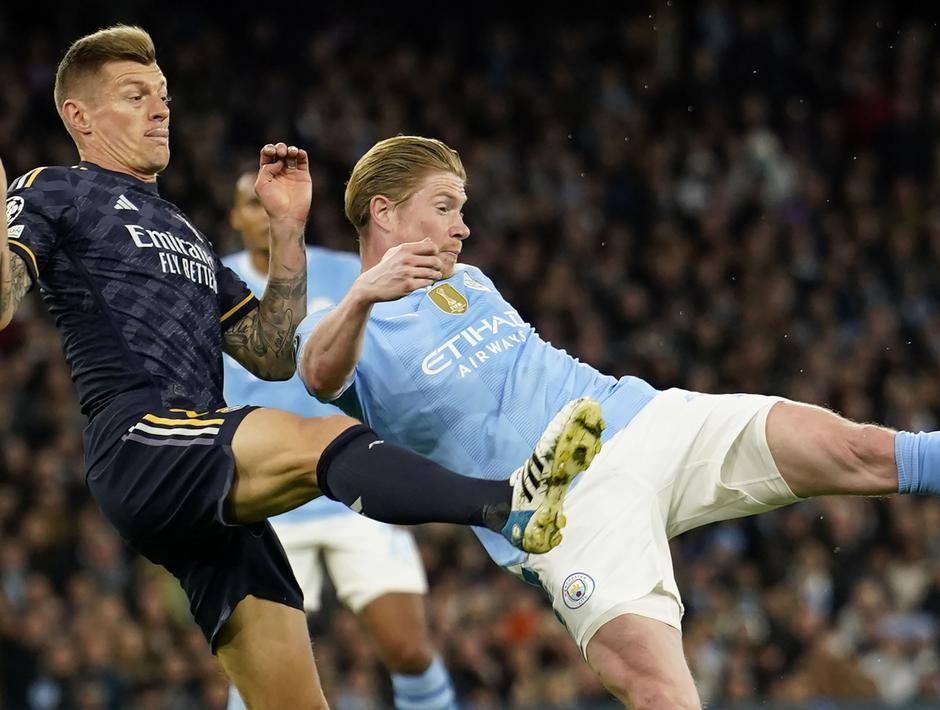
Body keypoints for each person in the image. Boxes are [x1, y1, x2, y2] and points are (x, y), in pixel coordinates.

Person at [296, 135, 940, 710]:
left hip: (644, 419)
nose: (462, 226)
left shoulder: (470, 279)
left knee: (860, 448)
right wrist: (364, 297)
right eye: (445, 207)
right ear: (384, 211)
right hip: (562, 510)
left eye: (463, 210)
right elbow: (314, 371)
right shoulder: (348, 322)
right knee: (661, 692)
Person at [0, 26, 601, 710]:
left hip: (199, 474)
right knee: (316, 443)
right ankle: (504, 502)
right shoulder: (52, 190)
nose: (160, 109)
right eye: (135, 96)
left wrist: (287, 233)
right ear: (78, 116)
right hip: (144, 440)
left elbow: (271, 351)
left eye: (162, 95)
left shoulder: (185, 230)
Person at [222, 171, 456, 710]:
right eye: (249, 207)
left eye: (268, 205)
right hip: (267, 500)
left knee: (408, 649)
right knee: (256, 677)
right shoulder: (215, 285)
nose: (262, 215)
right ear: (235, 218)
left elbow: (396, 360)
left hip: (352, 476)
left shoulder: (347, 273)